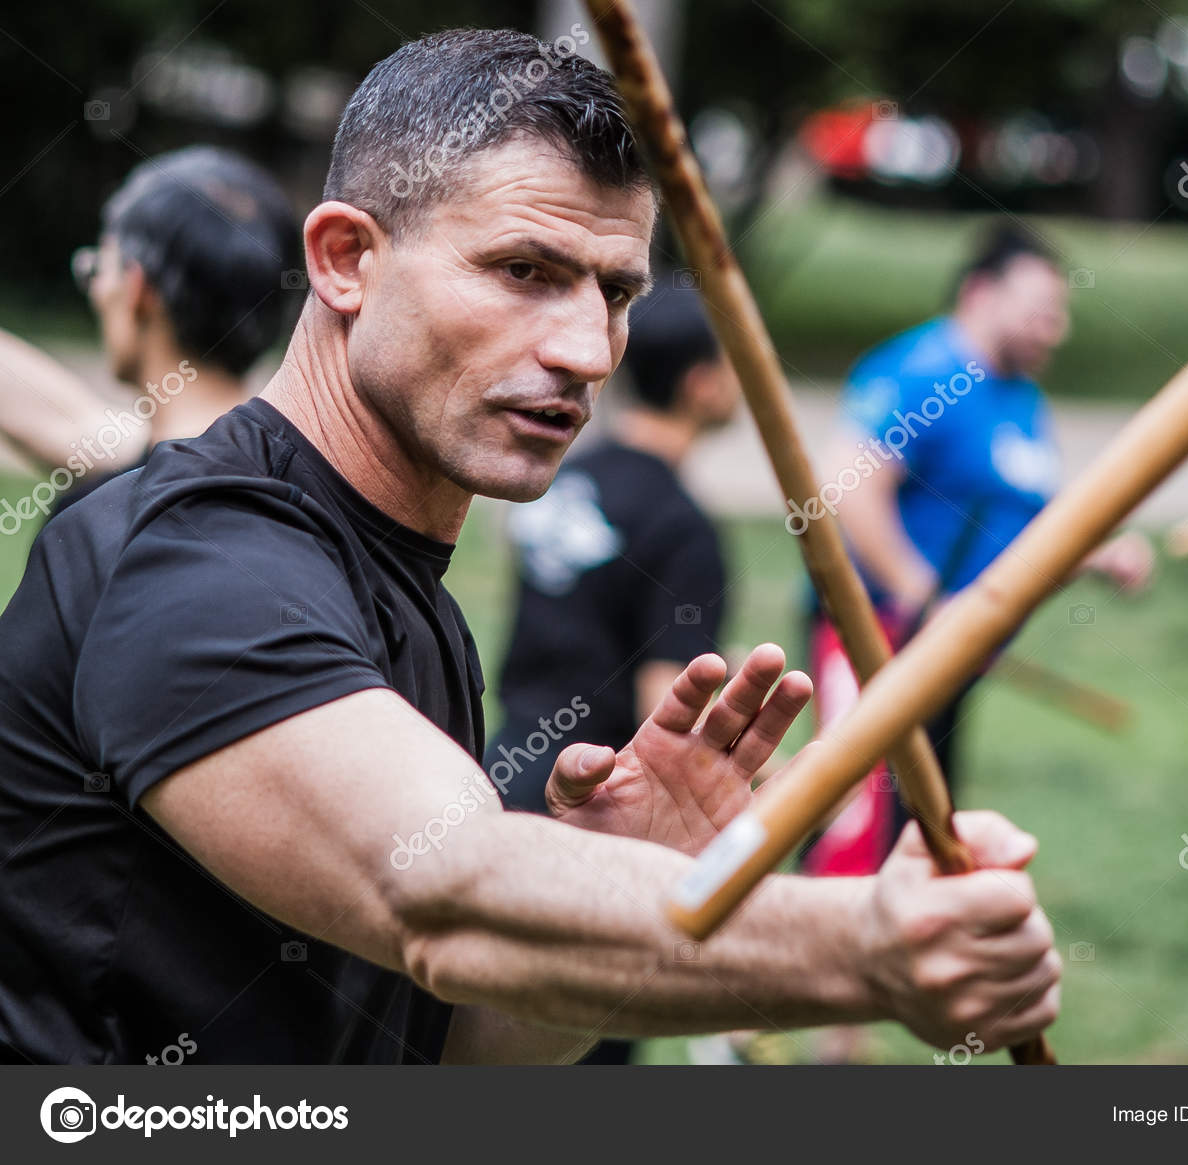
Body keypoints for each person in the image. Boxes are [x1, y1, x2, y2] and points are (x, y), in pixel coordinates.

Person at [0, 30, 1059, 1066]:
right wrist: (863, 941)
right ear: (346, 260)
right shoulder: (199, 557)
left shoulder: (404, 593)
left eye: (615, 291)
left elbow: (452, 1041)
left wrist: (619, 885)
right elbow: (446, 898)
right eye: (523, 269)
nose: (585, 350)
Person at [804, 225, 1153, 876]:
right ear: (980, 293)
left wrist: (1095, 554)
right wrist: (921, 593)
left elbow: (1023, 525)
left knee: (921, 820)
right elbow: (847, 486)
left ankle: (888, 965)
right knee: (856, 816)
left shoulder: (1019, 396)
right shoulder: (924, 370)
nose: (1056, 329)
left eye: (1060, 315)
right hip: (877, 633)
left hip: (952, 649)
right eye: (1042, 311)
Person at [488, 281, 740, 1063]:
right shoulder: (684, 528)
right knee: (578, 1046)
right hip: (600, 813)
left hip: (500, 778)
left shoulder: (569, 474)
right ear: (702, 382)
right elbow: (668, 710)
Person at [0, 146, 299, 528]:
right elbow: (72, 424)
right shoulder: (294, 478)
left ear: (137, 289)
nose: (95, 290)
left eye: (98, 268)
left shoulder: (99, 524)